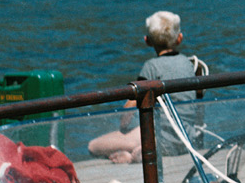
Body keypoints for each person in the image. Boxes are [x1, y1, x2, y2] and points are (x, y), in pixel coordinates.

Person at [87, 11, 208, 164]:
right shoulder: (188, 64)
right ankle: (134, 154)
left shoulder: (151, 67)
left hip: (160, 140)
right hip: (187, 139)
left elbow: (127, 114)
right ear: (179, 38)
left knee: (93, 146)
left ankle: (131, 157)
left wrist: (124, 127)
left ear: (147, 41)